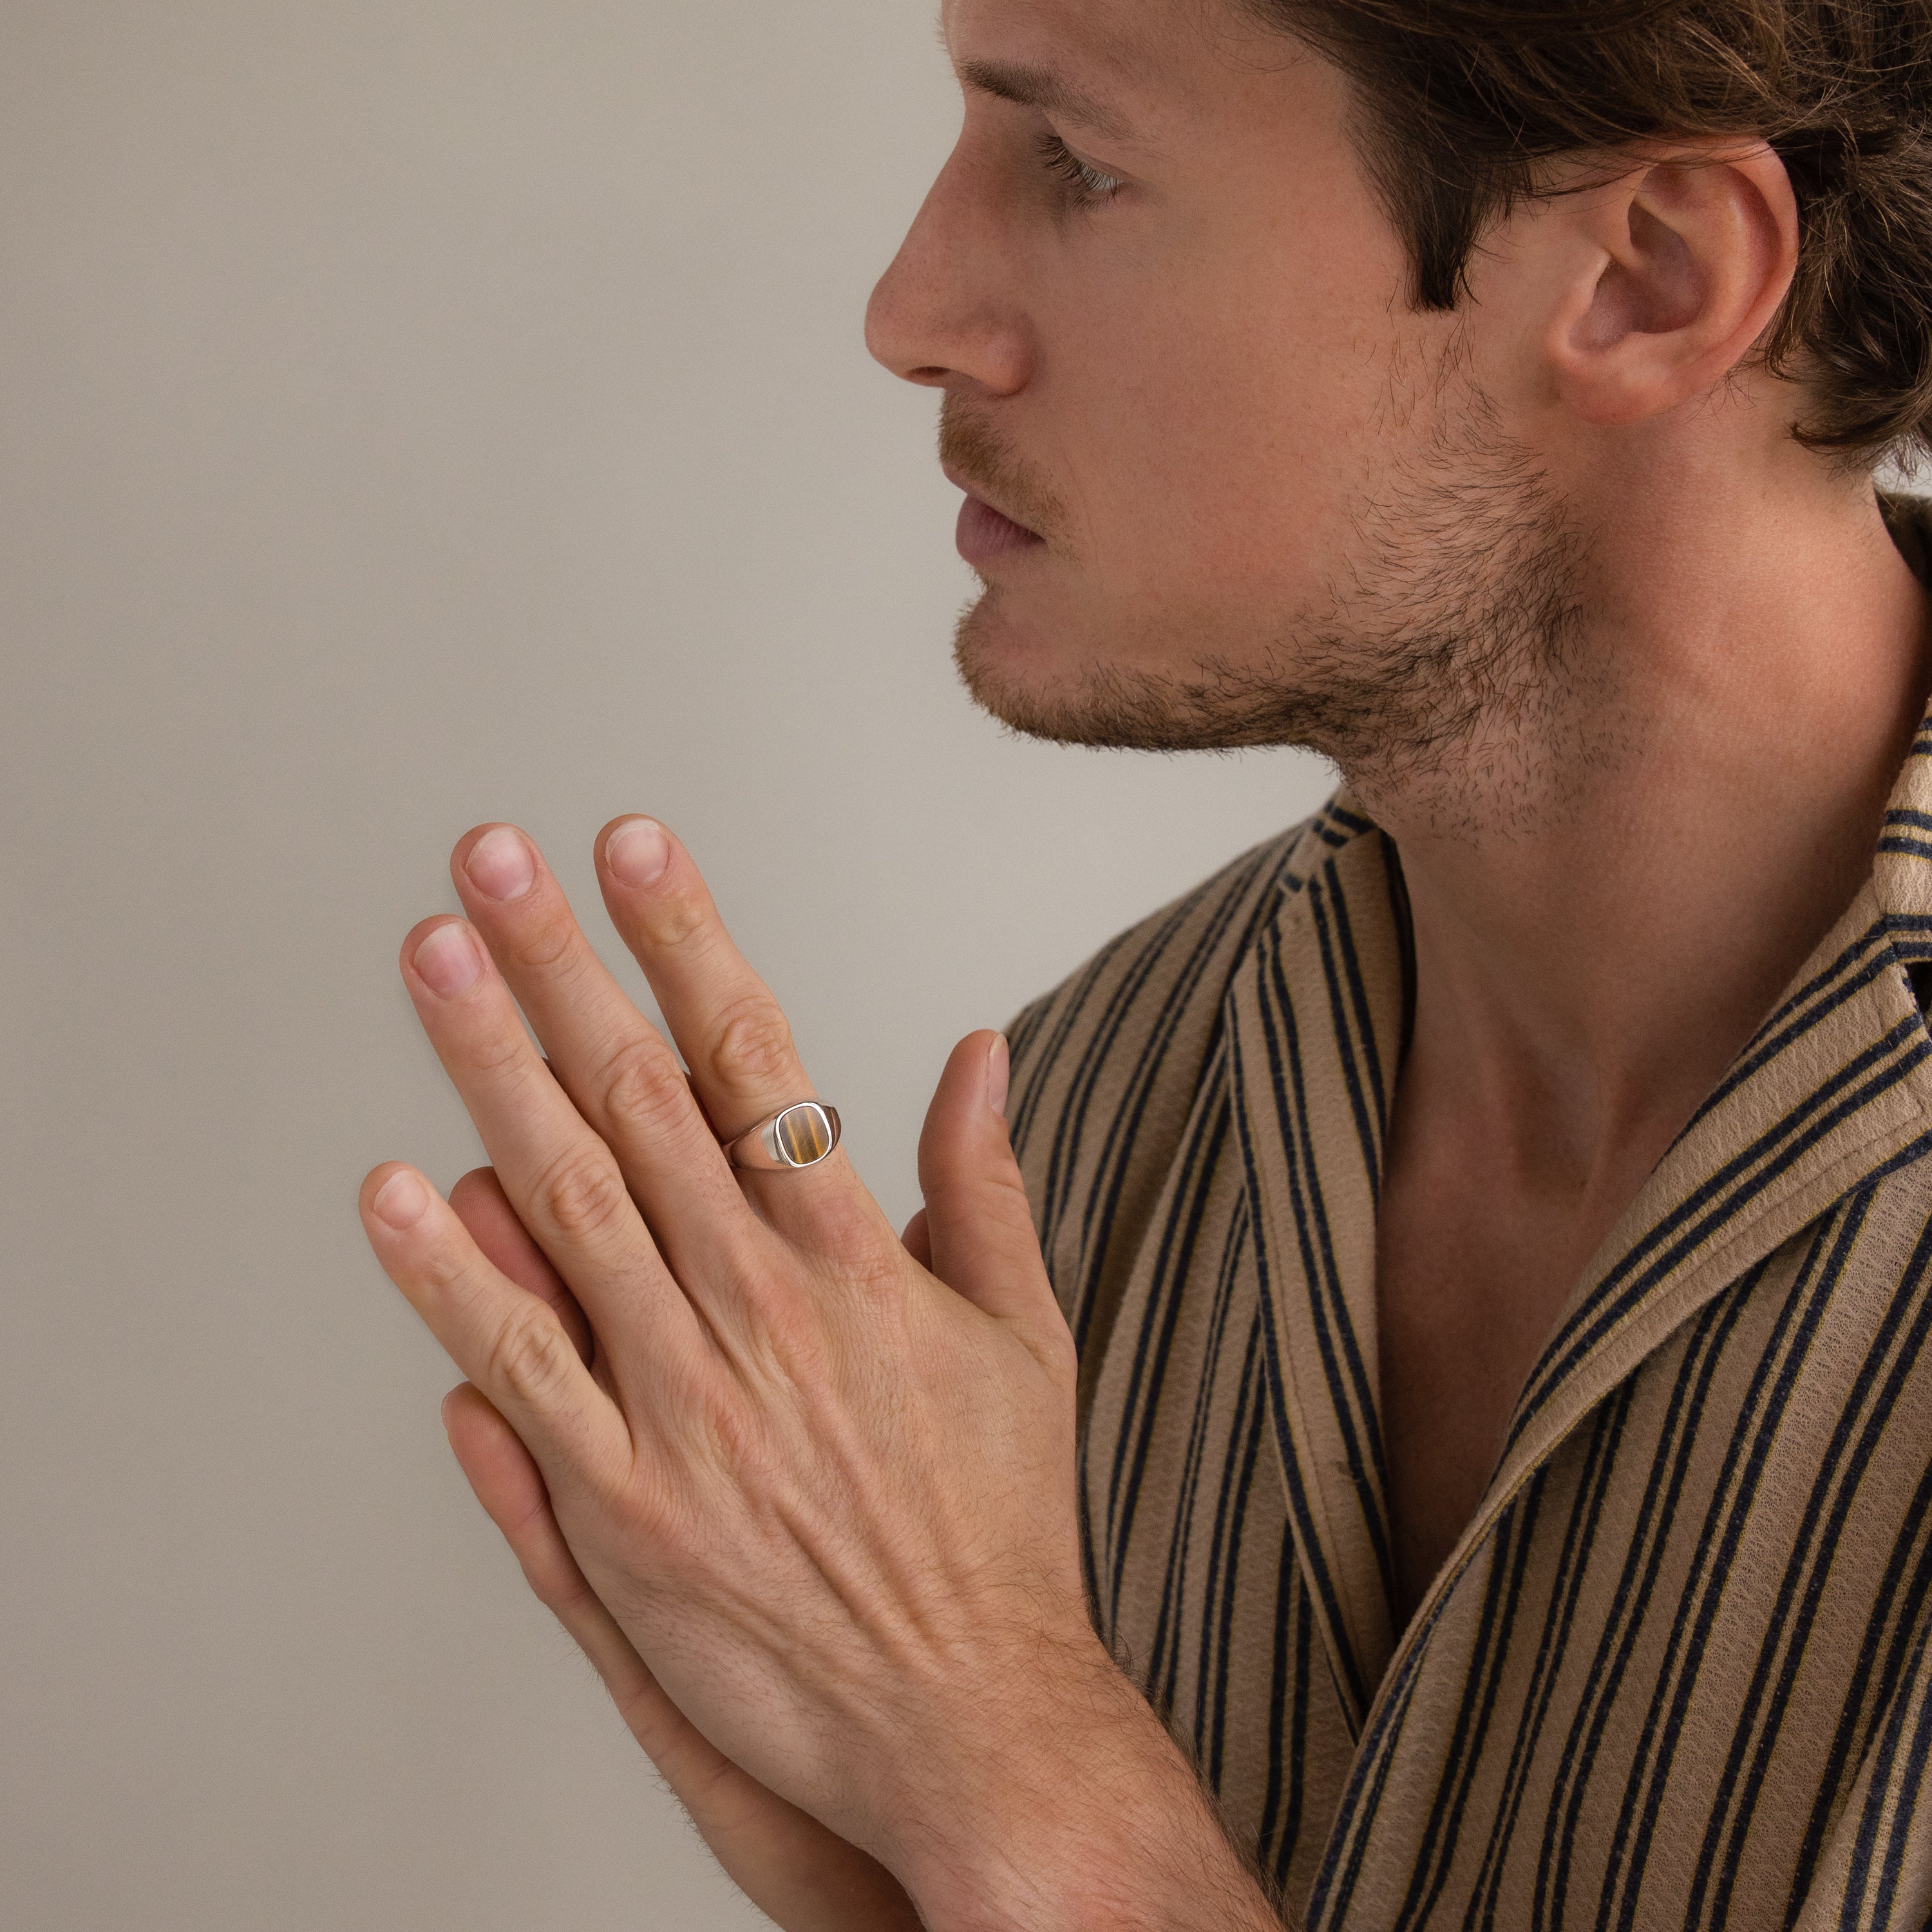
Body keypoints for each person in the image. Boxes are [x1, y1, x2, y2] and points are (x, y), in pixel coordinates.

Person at [356, 0, 1932, 1924]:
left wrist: (1032, 1785)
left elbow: (1032, 1803)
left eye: (1079, 164)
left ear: (1646, 278)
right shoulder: (1082, 1136)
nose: (910, 306)